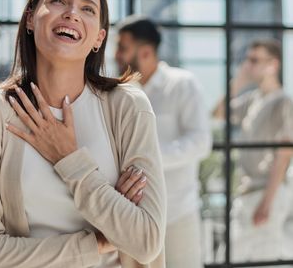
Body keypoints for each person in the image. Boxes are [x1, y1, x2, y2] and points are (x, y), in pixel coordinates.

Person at [0, 0, 166, 268]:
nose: (72, 13)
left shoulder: (128, 106)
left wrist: (69, 159)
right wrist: (99, 241)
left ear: (98, 37)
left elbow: (146, 242)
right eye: (58, 1)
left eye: (87, 8)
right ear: (31, 19)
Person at [115, 15, 211, 268]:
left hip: (178, 213)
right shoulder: (121, 93)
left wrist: (148, 160)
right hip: (132, 216)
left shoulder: (182, 85)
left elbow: (201, 141)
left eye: (122, 48)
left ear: (145, 52)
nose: (116, 55)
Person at [213, 38, 293, 261]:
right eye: (248, 60)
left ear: (273, 64)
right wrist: (238, 81)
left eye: (254, 60)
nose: (249, 65)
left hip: (266, 194)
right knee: (229, 257)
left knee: (260, 258)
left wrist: (267, 203)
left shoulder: (283, 102)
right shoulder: (252, 100)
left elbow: (284, 153)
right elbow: (218, 113)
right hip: (247, 192)